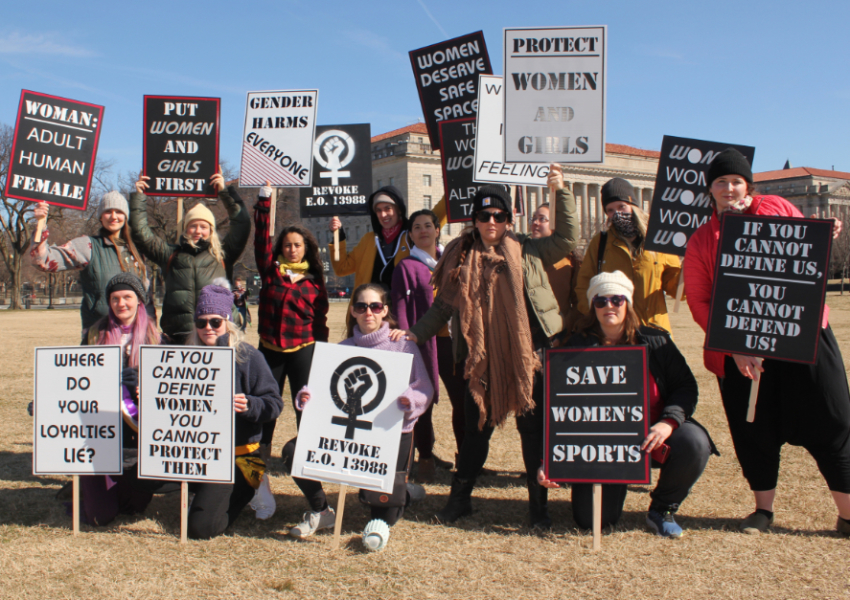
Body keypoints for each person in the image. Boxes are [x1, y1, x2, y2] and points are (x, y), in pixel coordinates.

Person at [400, 166, 579, 527]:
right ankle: (459, 500)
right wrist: (415, 334)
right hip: (481, 358)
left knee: (532, 433)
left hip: (529, 355)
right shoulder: (459, 255)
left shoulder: (528, 249)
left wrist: (560, 190)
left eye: (498, 215)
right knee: (475, 431)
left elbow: (567, 238)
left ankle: (538, 507)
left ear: (508, 219)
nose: (491, 221)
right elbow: (443, 306)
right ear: (475, 219)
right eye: (484, 215)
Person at [683, 147, 850, 536]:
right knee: (754, 428)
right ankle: (763, 510)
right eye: (721, 182)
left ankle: (846, 514)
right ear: (710, 189)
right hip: (742, 352)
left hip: (801, 336)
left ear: (748, 185)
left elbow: (805, 256)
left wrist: (824, 234)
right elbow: (699, 300)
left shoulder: (773, 206)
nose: (729, 188)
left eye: (736, 181)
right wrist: (734, 346)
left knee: (832, 418)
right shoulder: (702, 240)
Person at [538, 271, 716, 537]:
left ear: (628, 303)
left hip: (650, 435)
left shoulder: (657, 342)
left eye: (617, 299)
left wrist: (667, 424)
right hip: (600, 445)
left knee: (694, 442)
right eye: (601, 301)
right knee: (592, 522)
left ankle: (662, 508)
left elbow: (685, 388)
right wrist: (550, 460)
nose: (609, 306)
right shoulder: (573, 347)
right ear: (593, 306)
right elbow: (557, 407)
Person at [292, 283, 433, 550]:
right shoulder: (341, 349)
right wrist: (305, 396)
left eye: (375, 306)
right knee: (294, 451)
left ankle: (404, 492)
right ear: (353, 312)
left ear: (385, 311)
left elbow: (424, 388)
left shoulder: (402, 345)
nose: (369, 312)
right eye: (361, 306)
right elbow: (320, 387)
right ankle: (322, 510)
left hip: (392, 433)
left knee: (383, 510)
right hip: (349, 434)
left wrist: (409, 401)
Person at [250, 183, 329, 519]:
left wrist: (322, 357)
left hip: (303, 351)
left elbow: (321, 321)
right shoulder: (271, 271)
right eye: (287, 245)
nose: (292, 249)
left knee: (305, 413)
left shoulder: (314, 281)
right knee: (264, 415)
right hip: (269, 351)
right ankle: (256, 480)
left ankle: (309, 473)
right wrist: (265, 200)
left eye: (297, 245)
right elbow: (260, 239)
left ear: (306, 249)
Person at [184, 281, 282, 539]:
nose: (207, 328)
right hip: (200, 452)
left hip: (242, 455)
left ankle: (254, 485)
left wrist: (250, 405)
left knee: (201, 528)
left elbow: (274, 403)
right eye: (201, 322)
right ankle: (201, 490)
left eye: (215, 322)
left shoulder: (247, 356)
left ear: (228, 322)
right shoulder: (184, 358)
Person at [77, 272, 161, 526]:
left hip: (137, 434)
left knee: (133, 507)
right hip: (100, 432)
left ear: (139, 301)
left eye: (127, 297)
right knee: (99, 516)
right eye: (115, 299)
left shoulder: (156, 337)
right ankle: (91, 486)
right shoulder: (94, 334)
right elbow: (75, 378)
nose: (121, 304)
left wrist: (143, 389)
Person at [130, 167, 251, 343]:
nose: (198, 231)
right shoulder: (170, 254)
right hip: (179, 335)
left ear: (211, 230)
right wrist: (139, 197)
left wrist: (224, 192)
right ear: (186, 229)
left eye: (204, 226)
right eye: (193, 226)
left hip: (216, 334)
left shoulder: (222, 255)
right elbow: (141, 234)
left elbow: (242, 223)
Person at [391, 209, 464, 482]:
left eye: (428, 226)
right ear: (410, 235)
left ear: (437, 230)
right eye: (417, 227)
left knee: (462, 400)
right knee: (424, 401)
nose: (423, 230)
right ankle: (425, 458)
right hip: (425, 343)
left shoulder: (454, 261)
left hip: (455, 342)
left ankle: (465, 455)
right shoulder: (406, 267)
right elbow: (400, 307)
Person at [30, 191, 149, 333]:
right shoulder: (88, 246)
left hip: (135, 335)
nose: (113, 216)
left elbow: (145, 297)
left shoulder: (135, 251)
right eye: (108, 211)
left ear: (125, 216)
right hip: (99, 334)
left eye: (118, 211)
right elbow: (43, 261)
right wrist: (40, 225)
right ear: (100, 217)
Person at [574, 178, 682, 334]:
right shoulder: (600, 242)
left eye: (621, 206)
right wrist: (597, 313)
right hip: (615, 332)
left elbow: (675, 289)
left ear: (634, 206)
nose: (617, 213)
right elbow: (584, 285)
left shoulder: (659, 240)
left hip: (654, 330)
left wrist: (688, 272)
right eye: (610, 210)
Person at [530, 202, 584, 335]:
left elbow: (579, 303)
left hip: (559, 336)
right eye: (534, 218)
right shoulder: (522, 254)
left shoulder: (571, 262)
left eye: (542, 219)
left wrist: (564, 328)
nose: (536, 222)